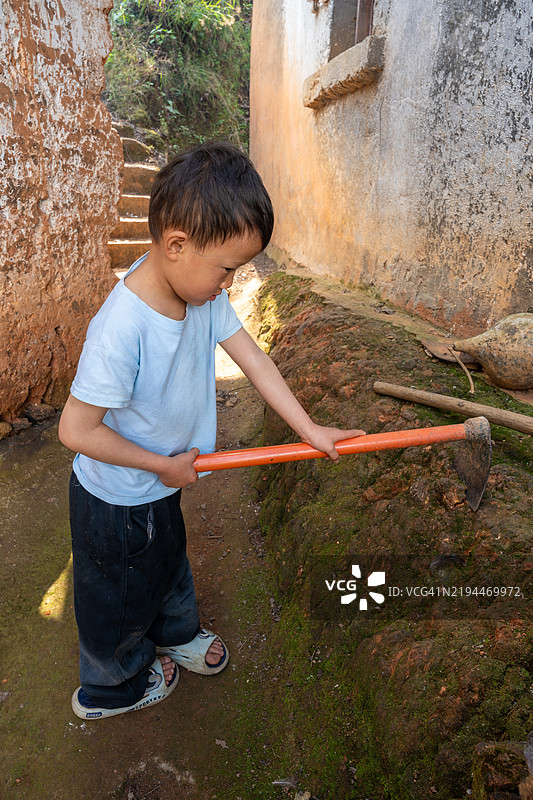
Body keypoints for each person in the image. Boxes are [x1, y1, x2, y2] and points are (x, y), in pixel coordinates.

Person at [59, 141, 365, 720]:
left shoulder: (198, 296)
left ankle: (174, 633)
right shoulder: (121, 328)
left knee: (170, 562)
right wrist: (159, 466)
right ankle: (110, 688)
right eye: (228, 268)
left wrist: (310, 430)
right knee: (117, 597)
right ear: (176, 245)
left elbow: (254, 360)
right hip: (115, 501)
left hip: (163, 483)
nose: (230, 282)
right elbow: (75, 430)